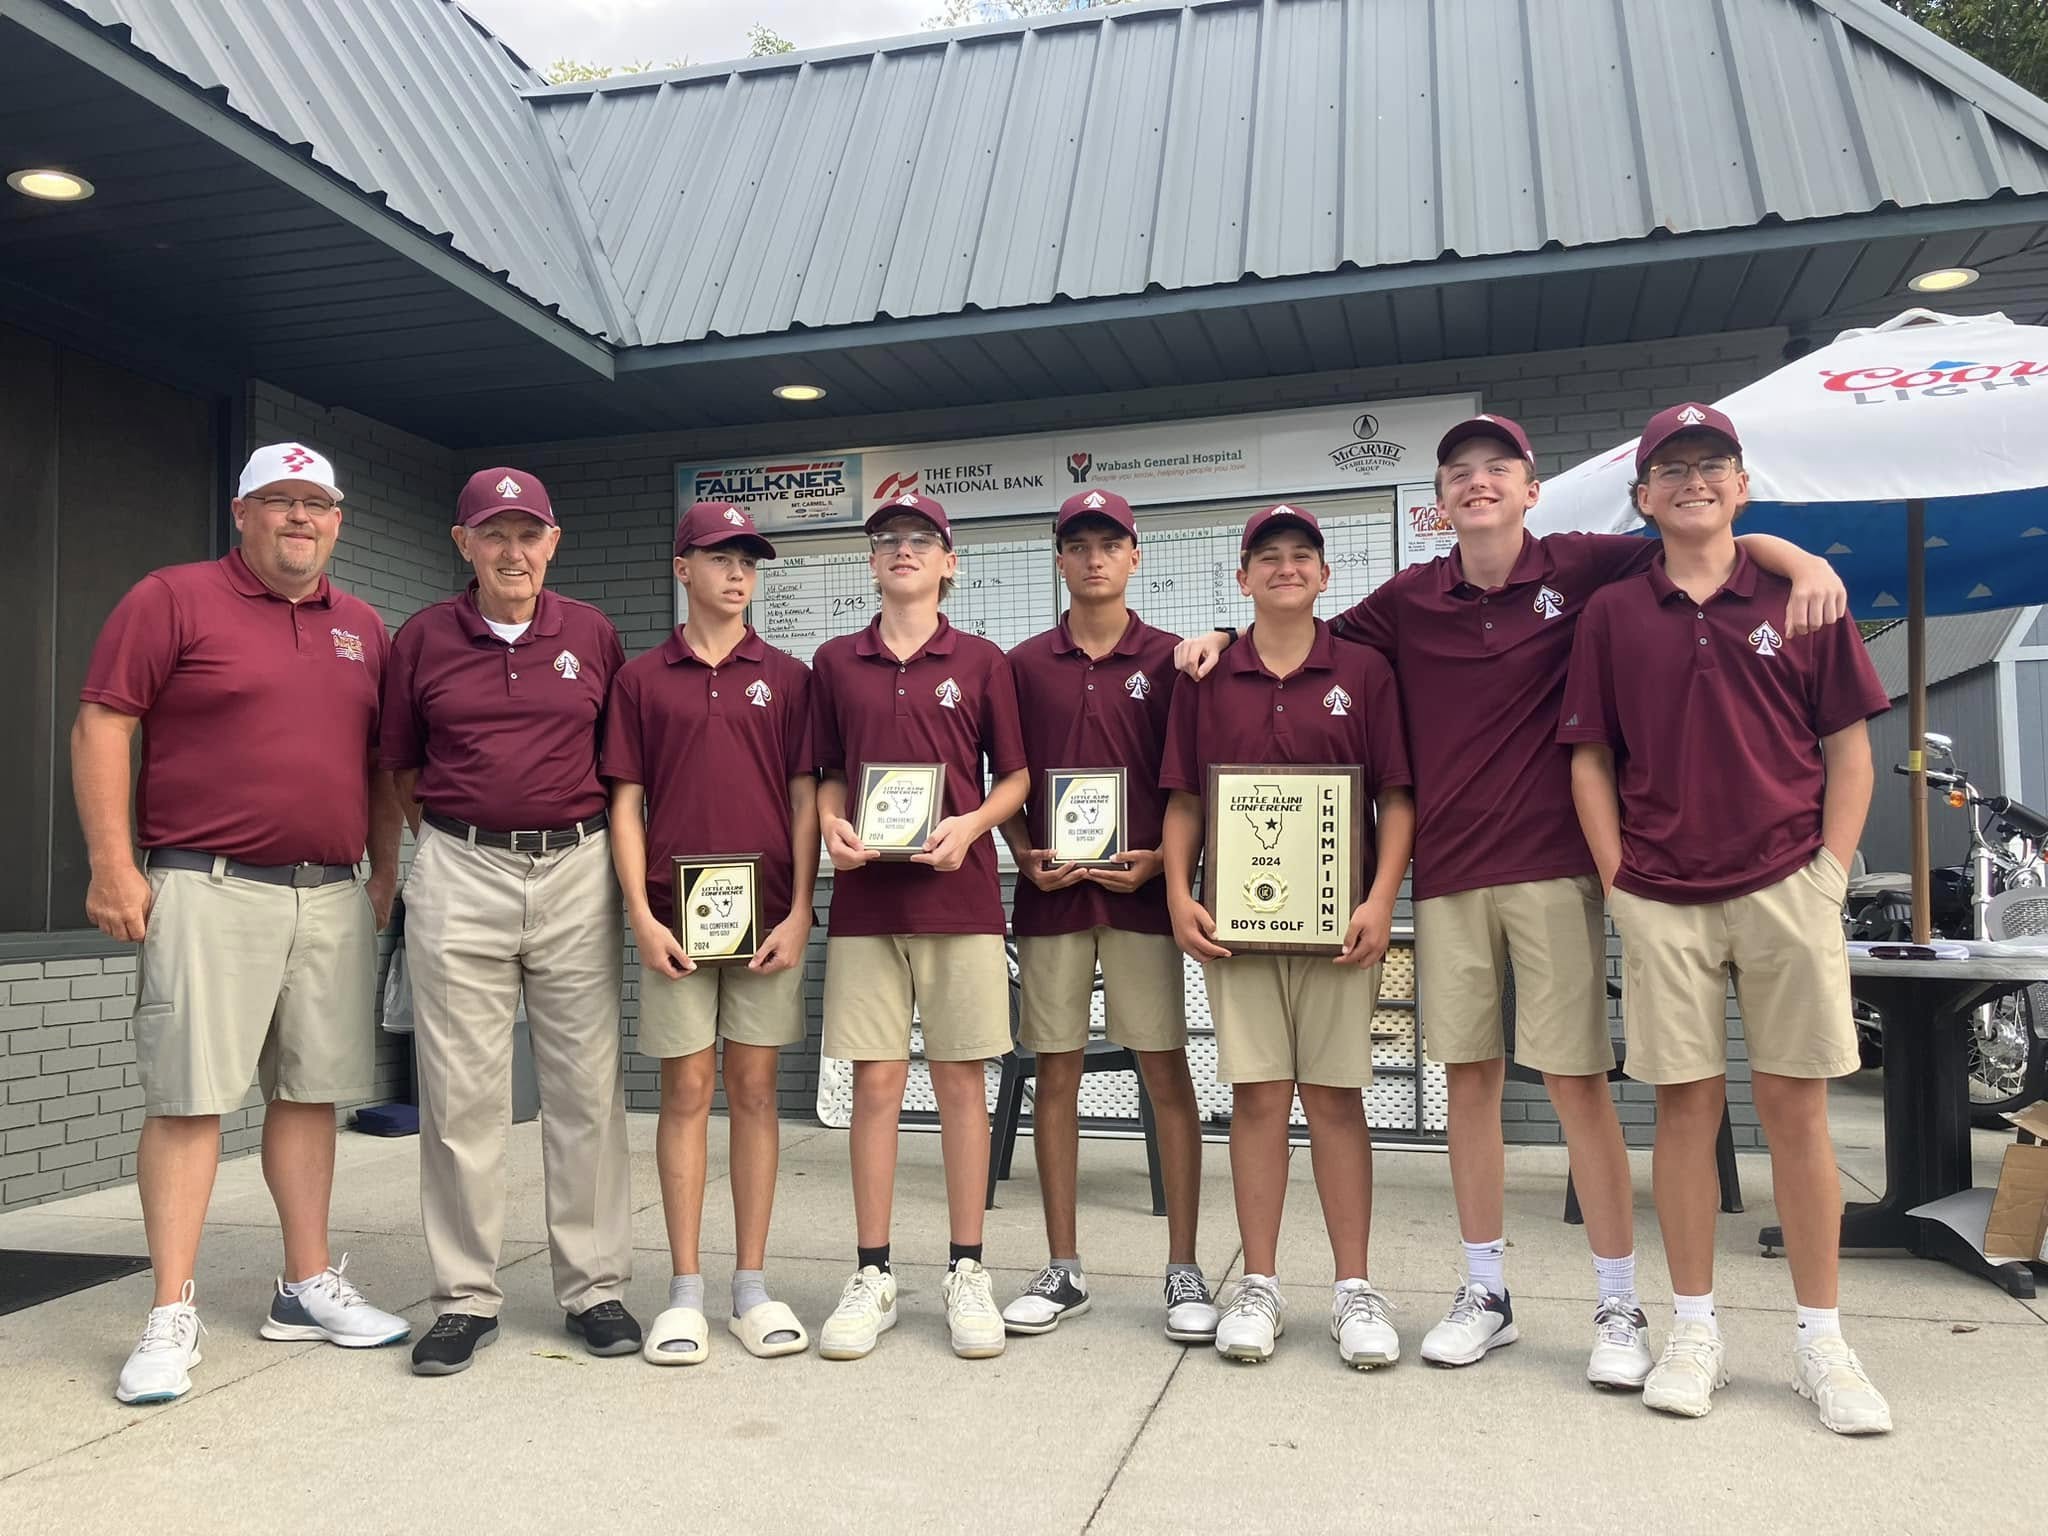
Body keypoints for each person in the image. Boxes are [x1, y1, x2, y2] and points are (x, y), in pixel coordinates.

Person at [1171, 416, 1846, 1385]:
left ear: (1532, 490)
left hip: (1555, 869)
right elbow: (1297, 630)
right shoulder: (1407, 601)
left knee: (1575, 1085)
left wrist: (1801, 559)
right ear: (1437, 503)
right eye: (1458, 472)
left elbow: (1704, 541)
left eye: (1498, 468)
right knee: (1470, 1085)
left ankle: (1617, 1303)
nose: (1478, 482)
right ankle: (1484, 1292)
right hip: (1449, 875)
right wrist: (1217, 638)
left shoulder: (1587, 568)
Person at [1561, 402, 1892, 1433]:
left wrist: (1827, 876)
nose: (1692, 481)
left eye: (1712, 465)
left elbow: (1848, 750)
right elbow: (1589, 759)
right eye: (1671, 469)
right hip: (1662, 896)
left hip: (1787, 883)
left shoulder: (1803, 598)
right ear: (1642, 496)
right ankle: (1694, 1330)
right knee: (1685, 1113)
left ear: (1742, 485)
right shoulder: (1613, 613)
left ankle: (1820, 1340)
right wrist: (1618, 881)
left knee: (1796, 1112)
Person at [75, 442, 410, 1406]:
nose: (300, 517)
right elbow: (103, 724)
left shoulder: (363, 627)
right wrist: (112, 865)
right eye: (279, 500)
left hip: (330, 893)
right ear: (241, 512)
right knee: (189, 1099)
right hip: (207, 884)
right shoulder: (171, 598)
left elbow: (377, 766)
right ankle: (168, 1312)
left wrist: (385, 869)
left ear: (338, 521)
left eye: (317, 503)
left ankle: (305, 1285)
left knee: (310, 1095)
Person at [382, 466, 637, 1375]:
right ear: (464, 544)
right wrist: (453, 844)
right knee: (461, 1096)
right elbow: (400, 768)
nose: (513, 551)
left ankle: (595, 1287)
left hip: (577, 864)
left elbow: (618, 766)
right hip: (461, 864)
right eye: (494, 534)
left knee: (586, 1090)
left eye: (529, 534)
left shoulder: (592, 633)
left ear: (553, 543)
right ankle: (464, 1298)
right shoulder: (421, 638)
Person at [1159, 503, 1414, 1367]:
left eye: (1302, 555)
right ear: (1242, 578)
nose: (1285, 568)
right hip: (1237, 930)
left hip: (1340, 927)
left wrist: (1382, 899)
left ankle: (1354, 1289)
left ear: (1325, 575)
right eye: (1267, 557)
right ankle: (1259, 1285)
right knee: (1260, 1096)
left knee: (1337, 1098)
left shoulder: (1366, 671)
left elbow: (1397, 797)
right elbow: (1184, 798)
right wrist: (1178, 894)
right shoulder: (1207, 677)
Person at [808, 492, 1030, 1361]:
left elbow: (1013, 779)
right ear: (872, 562)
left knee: (962, 1083)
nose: (904, 550)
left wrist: (971, 827)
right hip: (868, 907)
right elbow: (829, 773)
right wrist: (833, 825)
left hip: (960, 900)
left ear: (949, 561)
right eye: (889, 540)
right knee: (875, 1085)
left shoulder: (982, 661)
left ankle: (968, 1268)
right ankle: (872, 1274)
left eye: (921, 540)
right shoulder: (835, 661)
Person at [998, 490, 1217, 1344]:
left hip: (1142, 903)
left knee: (1165, 1071)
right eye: (1079, 544)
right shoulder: (1022, 665)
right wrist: (1022, 852)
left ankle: (1184, 1267)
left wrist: (1167, 864)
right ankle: (1063, 1266)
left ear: (1134, 556)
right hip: (1051, 900)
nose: (1094, 558)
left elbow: (1191, 783)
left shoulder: (1172, 660)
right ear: (1059, 558)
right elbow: (1006, 779)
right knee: (1054, 1074)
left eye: (1109, 544)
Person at [602, 501, 817, 1365]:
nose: (737, 574)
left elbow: (805, 799)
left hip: (769, 920)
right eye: (721, 557)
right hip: (675, 925)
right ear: (681, 567)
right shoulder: (640, 680)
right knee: (686, 1092)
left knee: (756, 1091)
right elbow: (625, 805)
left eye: (748, 561)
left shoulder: (790, 677)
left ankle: (751, 1288)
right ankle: (685, 1292)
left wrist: (802, 910)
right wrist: (639, 915)